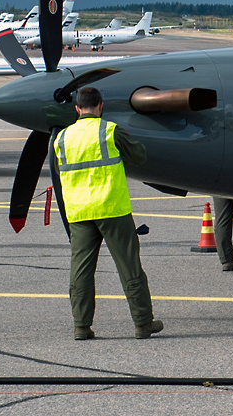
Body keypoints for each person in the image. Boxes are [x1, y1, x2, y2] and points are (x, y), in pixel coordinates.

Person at [53, 86, 161, 340]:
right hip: (111, 208)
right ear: (101, 106)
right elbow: (139, 155)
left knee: (81, 270)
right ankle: (143, 323)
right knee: (129, 266)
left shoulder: (63, 138)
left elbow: (60, 172)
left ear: (77, 109)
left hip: (79, 212)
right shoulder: (109, 130)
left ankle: (81, 326)